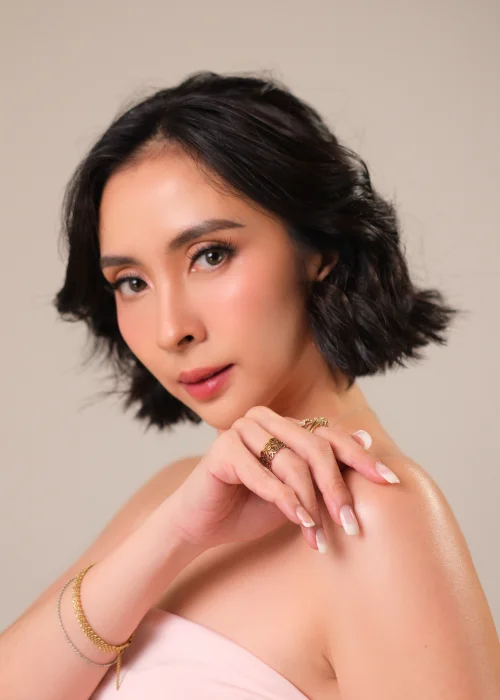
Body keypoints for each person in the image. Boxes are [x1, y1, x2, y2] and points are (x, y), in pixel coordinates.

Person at [1, 70, 499, 700]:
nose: (171, 329)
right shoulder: (176, 497)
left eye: (210, 254)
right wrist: (174, 535)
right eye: (132, 282)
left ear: (318, 250)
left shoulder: (373, 519)